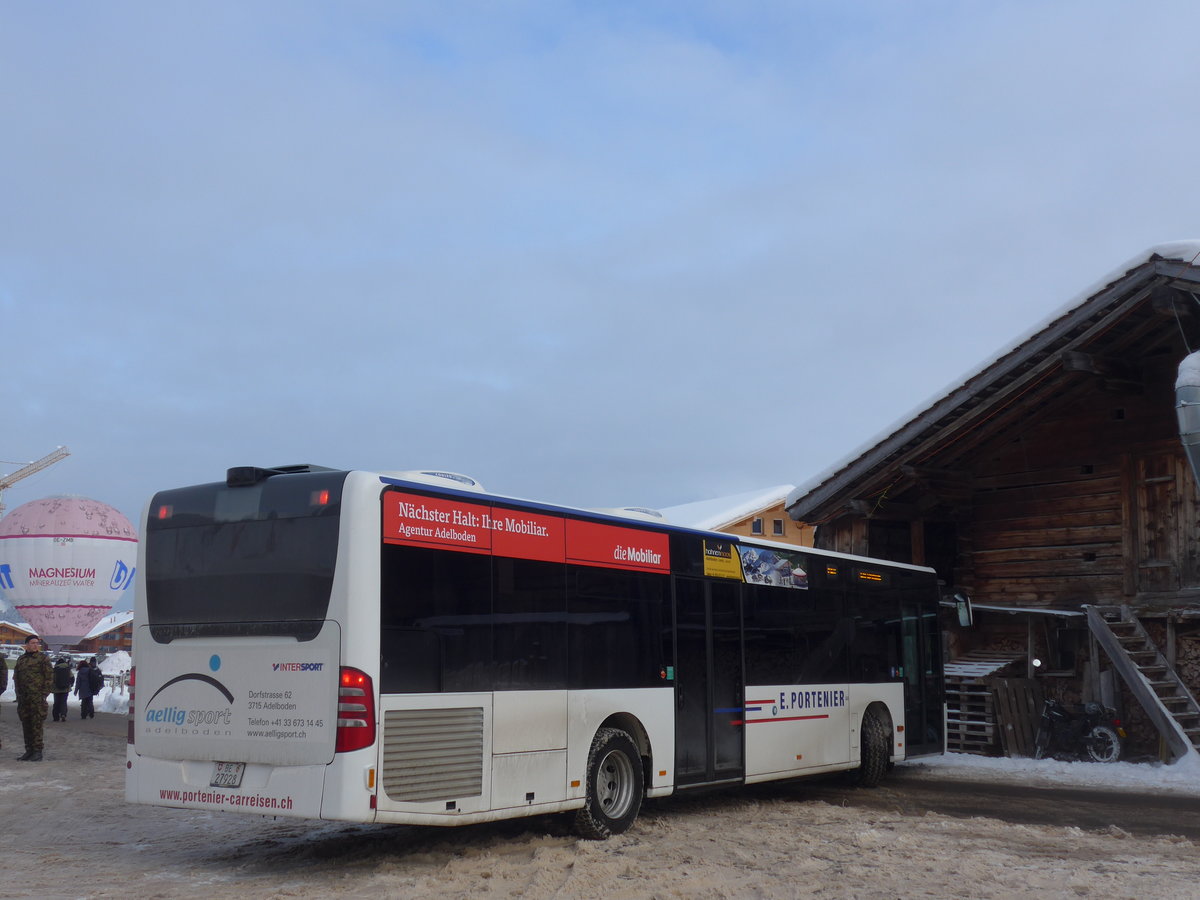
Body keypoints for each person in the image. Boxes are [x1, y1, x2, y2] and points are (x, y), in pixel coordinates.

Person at [14, 634, 53, 761]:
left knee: (36, 724)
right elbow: (17, 678)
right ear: (26, 645)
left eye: (37, 643)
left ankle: (37, 751)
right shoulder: (21, 660)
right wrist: (18, 694)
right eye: (32, 643)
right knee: (26, 724)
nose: (35, 645)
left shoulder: (43, 659)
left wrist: (43, 694)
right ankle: (29, 750)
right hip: (24, 698)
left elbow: (49, 678)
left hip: (37, 698)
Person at [51, 656, 72, 721]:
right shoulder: (68, 669)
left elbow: (52, 678)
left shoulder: (55, 669)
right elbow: (72, 678)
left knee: (56, 702)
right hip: (65, 689)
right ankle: (63, 714)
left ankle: (56, 717)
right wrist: (70, 685)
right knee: (63, 702)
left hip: (56, 689)